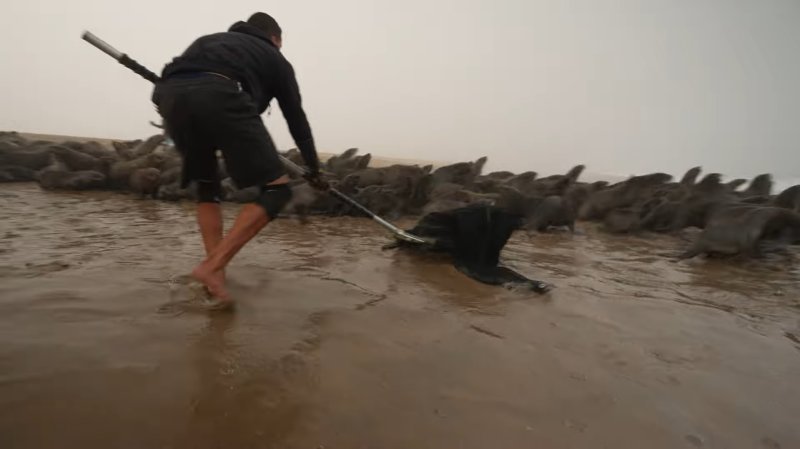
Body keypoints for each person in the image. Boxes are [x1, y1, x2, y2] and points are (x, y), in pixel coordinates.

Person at [151, 12, 328, 306]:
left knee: (207, 188)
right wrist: (314, 168)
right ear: (275, 38)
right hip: (220, 92)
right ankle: (212, 267)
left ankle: (215, 278)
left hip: (169, 96)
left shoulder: (209, 41)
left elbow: (173, 76)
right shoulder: (275, 58)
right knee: (277, 191)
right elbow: (296, 119)